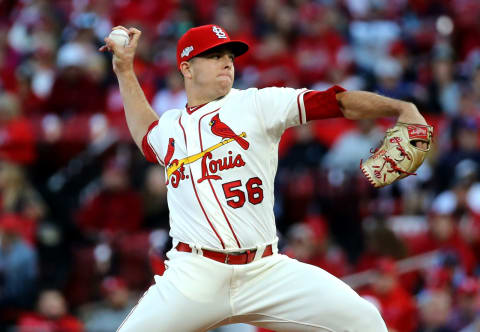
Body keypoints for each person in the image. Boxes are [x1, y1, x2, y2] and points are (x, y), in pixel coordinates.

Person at [100, 24, 429, 331]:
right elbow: (145, 133)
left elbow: (336, 102)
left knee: (365, 320)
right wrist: (125, 70)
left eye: (229, 56)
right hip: (194, 274)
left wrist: (399, 107)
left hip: (264, 270)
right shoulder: (170, 127)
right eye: (214, 56)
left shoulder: (258, 103)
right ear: (186, 68)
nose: (227, 63)